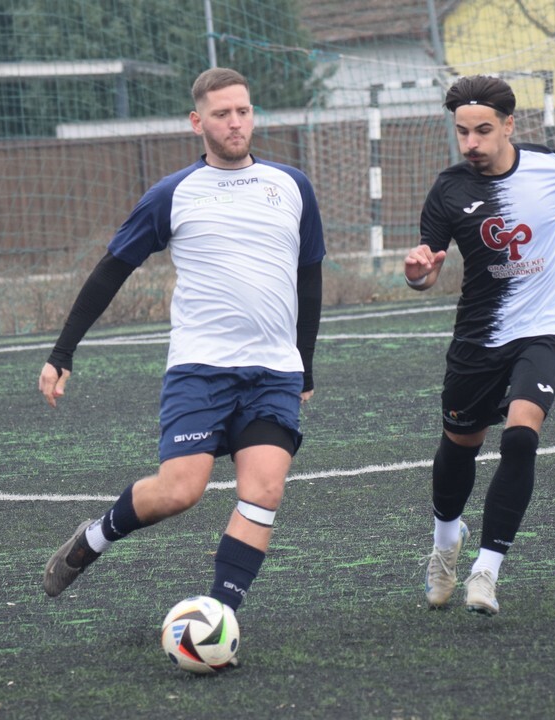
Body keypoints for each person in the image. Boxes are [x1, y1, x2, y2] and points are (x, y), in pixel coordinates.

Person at [38, 68, 326, 641]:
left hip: (274, 372)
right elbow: (112, 270)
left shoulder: (292, 185)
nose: (235, 122)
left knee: (264, 491)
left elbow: (309, 276)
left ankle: (218, 619)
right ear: (198, 122)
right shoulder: (173, 193)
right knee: (179, 492)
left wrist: (305, 364)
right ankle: (95, 537)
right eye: (222, 114)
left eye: (243, 111)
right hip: (201, 370)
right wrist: (62, 351)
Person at [404, 75, 555, 615]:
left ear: (509, 125)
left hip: (544, 326)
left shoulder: (553, 166)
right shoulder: (448, 189)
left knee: (519, 438)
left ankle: (486, 571)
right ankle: (446, 543)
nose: (471, 143)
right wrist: (417, 273)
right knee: (460, 445)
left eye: (483, 130)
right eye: (462, 131)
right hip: (479, 335)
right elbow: (428, 267)